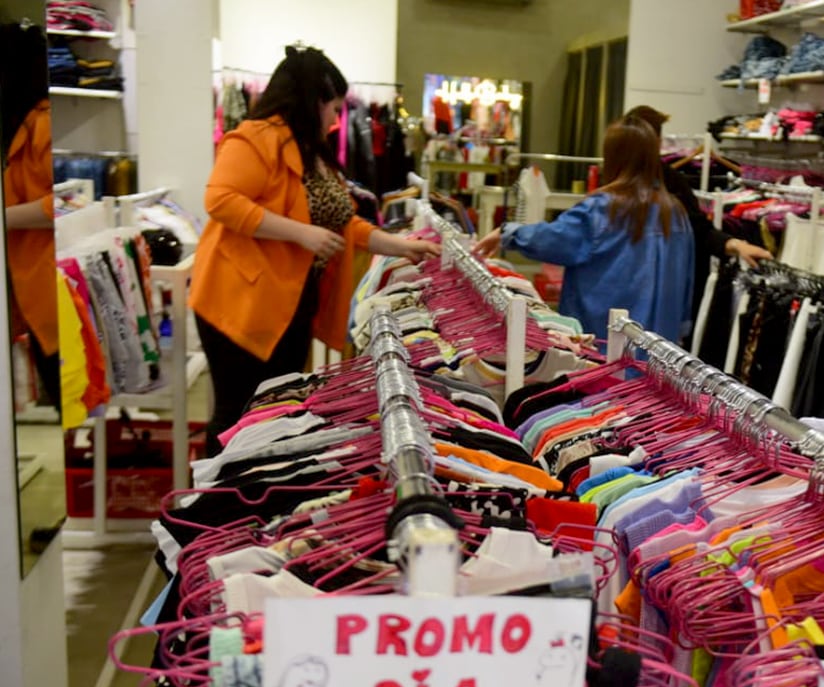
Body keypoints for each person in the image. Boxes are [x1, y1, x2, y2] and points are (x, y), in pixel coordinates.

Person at [189, 45, 439, 455]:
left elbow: (342, 222)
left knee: (273, 411)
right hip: (238, 302)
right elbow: (220, 199)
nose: (337, 119)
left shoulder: (313, 153)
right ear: (312, 99)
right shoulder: (256, 138)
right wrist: (299, 233)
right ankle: (211, 507)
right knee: (236, 415)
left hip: (288, 301)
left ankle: (252, 503)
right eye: (334, 107)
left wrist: (398, 246)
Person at [473, 116, 693, 344]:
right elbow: (686, 286)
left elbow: (553, 239)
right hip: (661, 351)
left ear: (613, 157)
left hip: (603, 343)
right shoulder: (676, 212)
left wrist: (508, 232)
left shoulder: (602, 208)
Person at [625, 105, 773, 319]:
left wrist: (734, 244)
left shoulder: (667, 181)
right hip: (654, 291)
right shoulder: (662, 182)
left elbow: (698, 229)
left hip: (657, 291)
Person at [2, 22, 58, 411]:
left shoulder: (43, 123)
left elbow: (60, 204)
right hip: (26, 274)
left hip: (43, 278)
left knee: (54, 372)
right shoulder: (22, 121)